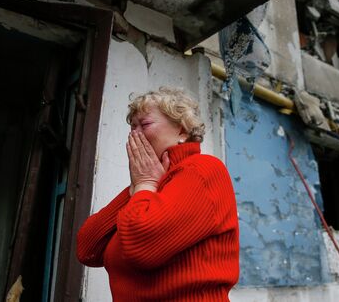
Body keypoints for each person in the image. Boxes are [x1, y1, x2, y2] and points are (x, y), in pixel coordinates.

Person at [76, 87, 239, 301]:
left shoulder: (202, 170)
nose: (135, 134)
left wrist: (144, 182)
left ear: (182, 131)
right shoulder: (150, 187)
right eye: (132, 127)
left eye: (144, 125)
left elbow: (142, 246)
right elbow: (87, 249)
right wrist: (139, 186)